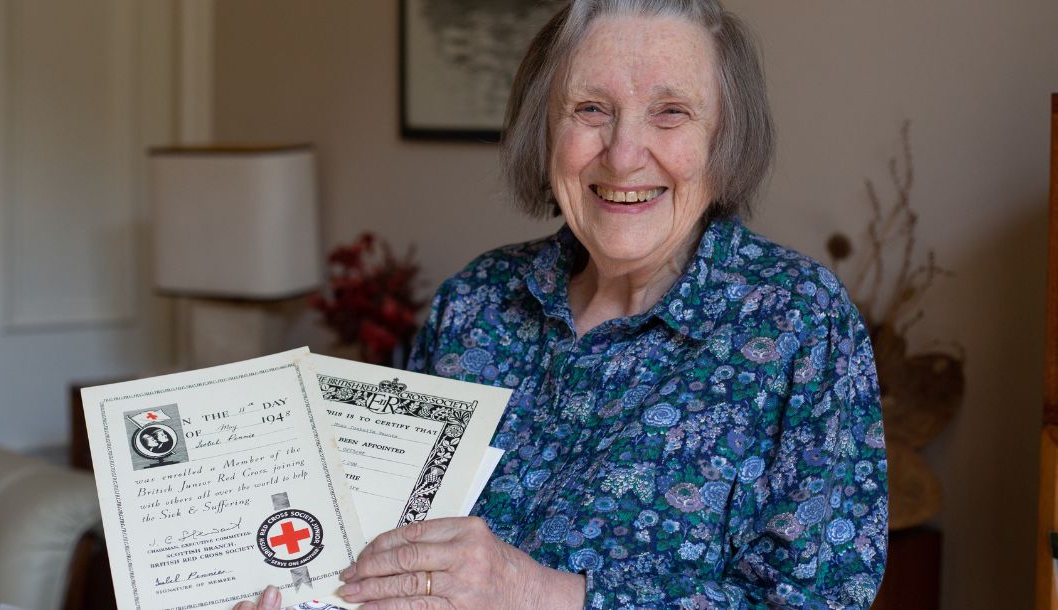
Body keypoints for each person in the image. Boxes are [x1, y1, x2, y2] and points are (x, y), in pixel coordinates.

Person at [236, 1, 886, 608]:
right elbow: (390, 549)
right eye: (591, 109)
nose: (625, 154)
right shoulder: (475, 304)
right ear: (544, 132)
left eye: (671, 112)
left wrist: (542, 592)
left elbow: (816, 599)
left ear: (723, 141)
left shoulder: (799, 321)